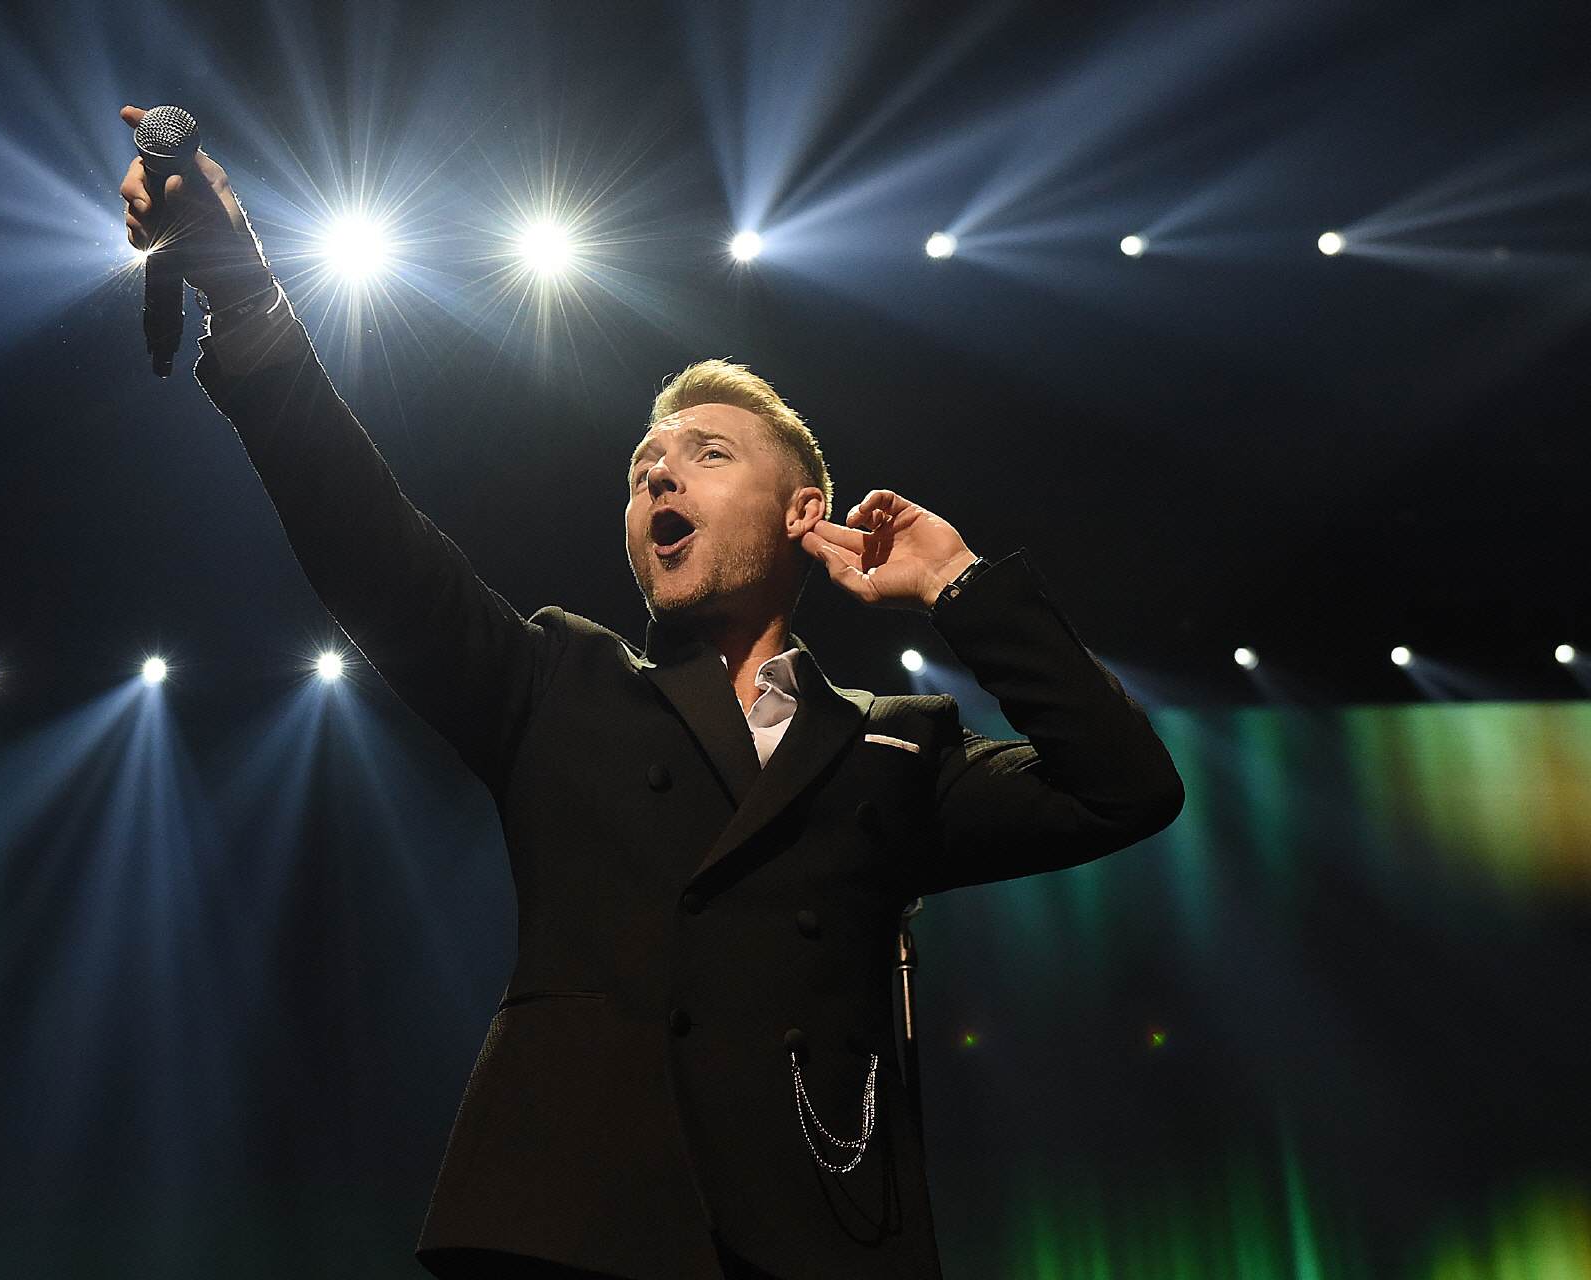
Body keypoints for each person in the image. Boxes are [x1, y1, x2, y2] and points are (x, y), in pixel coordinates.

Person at [118, 104, 1185, 1280]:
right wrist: (246, 290)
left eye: (707, 454)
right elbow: (371, 539)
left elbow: (1126, 789)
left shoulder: (895, 745)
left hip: (820, 1242)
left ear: (804, 513)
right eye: (643, 469)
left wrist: (962, 587)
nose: (661, 474)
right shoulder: (557, 680)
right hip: (567, 1233)